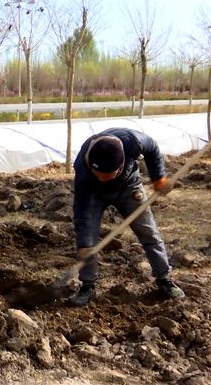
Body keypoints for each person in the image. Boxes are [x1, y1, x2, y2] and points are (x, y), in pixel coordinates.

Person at [69, 128, 185, 306]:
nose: (102, 180)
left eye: (107, 176)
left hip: (128, 187)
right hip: (95, 196)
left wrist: (159, 178)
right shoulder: (83, 172)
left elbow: (152, 148)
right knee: (87, 242)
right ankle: (87, 287)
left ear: (121, 164)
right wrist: (85, 244)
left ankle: (164, 279)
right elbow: (82, 209)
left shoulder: (132, 142)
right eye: (98, 175)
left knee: (148, 232)